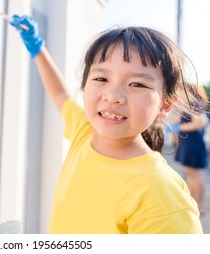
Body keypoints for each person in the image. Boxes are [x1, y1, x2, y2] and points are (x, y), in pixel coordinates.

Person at [10, 15, 203, 233]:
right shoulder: (84, 131)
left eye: (137, 84)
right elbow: (61, 95)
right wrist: (37, 48)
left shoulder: (162, 193)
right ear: (85, 86)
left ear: (165, 105)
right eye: (101, 79)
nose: (112, 96)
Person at [173, 84, 208, 215]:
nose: (180, 92)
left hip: (194, 144)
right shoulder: (187, 105)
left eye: (182, 90)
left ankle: (199, 206)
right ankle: (192, 202)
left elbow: (199, 123)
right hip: (187, 144)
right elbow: (176, 120)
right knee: (190, 174)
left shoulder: (195, 104)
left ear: (190, 91)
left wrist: (178, 128)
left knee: (195, 175)